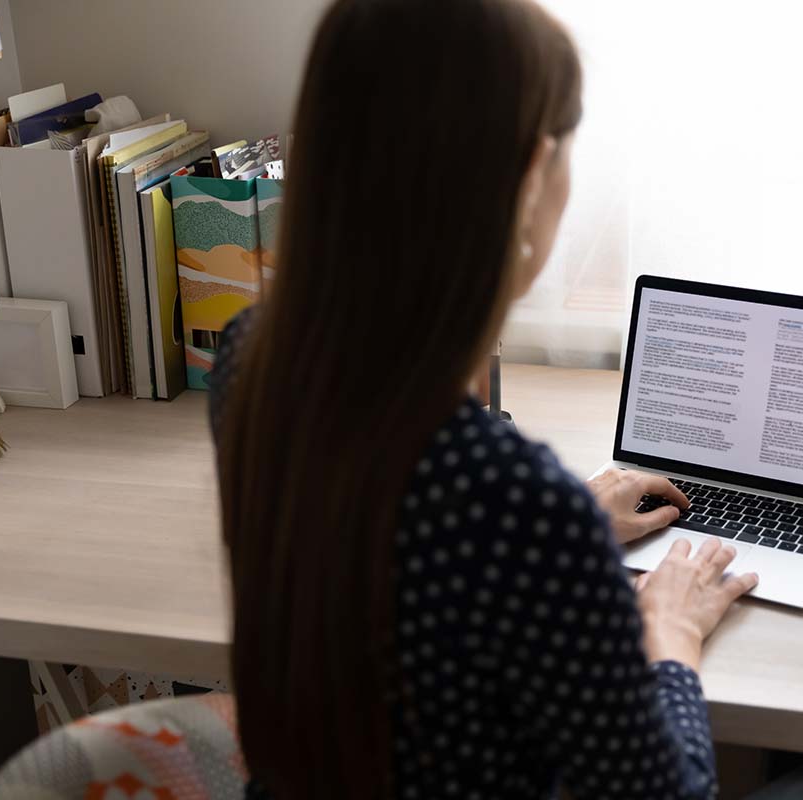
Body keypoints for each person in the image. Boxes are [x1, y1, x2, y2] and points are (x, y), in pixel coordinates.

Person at [210, 0, 759, 797]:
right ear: (533, 175)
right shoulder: (518, 506)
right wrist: (669, 637)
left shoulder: (249, 362)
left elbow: (402, 563)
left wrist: (563, 536)